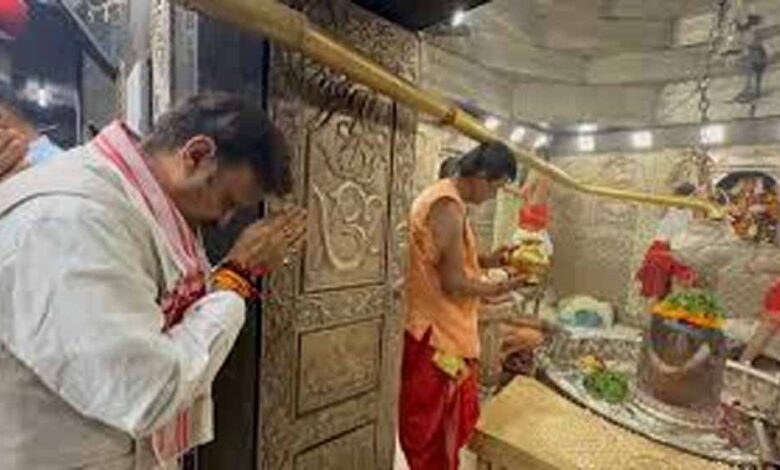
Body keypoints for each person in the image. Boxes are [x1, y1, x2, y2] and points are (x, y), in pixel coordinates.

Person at [0, 92, 307, 469]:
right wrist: (235, 278)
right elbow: (147, 392)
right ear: (196, 155)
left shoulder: (137, 203)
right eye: (227, 201)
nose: (224, 221)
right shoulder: (69, 221)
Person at [399, 141, 528, 470]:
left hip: (435, 331)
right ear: (482, 176)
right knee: (434, 430)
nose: (493, 197)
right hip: (437, 337)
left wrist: (490, 259)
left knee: (443, 423)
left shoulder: (445, 198)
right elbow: (454, 282)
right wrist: (500, 287)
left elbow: (445, 259)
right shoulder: (447, 207)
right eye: (496, 188)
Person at [634, 183, 699, 302]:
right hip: (662, 249)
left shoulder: (691, 211)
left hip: (679, 249)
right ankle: (659, 304)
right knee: (659, 289)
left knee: (680, 282)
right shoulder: (668, 208)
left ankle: (670, 303)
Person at [740, 256, 780, 364]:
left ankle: (744, 360)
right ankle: (744, 361)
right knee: (767, 325)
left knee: (768, 326)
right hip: (772, 311)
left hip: (773, 315)